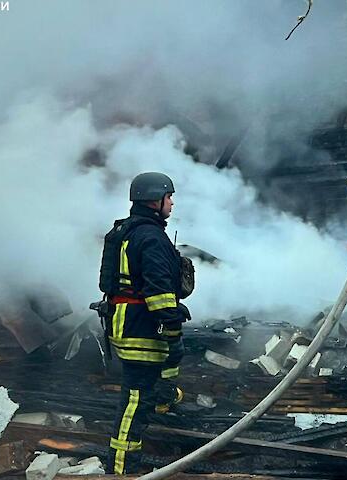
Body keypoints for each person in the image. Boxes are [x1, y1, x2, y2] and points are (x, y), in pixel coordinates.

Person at [98, 172, 193, 474]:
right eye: (169, 197)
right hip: (140, 328)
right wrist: (173, 322)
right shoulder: (150, 236)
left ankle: (163, 401)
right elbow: (159, 291)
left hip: (126, 323)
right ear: (156, 200)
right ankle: (123, 467)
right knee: (134, 399)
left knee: (150, 382)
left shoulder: (127, 230)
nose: (172, 203)